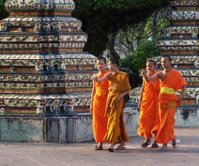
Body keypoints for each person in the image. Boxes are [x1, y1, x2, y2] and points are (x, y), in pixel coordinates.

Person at [142, 55, 186, 150]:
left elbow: (183, 85)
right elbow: (149, 80)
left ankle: (165, 143)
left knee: (168, 120)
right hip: (162, 99)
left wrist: (181, 95)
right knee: (162, 121)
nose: (163, 63)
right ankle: (172, 137)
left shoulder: (176, 73)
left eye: (165, 61)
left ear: (170, 62)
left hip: (172, 99)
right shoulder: (160, 74)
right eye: (162, 62)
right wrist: (145, 75)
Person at [93, 58, 131, 152]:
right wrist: (96, 78)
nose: (109, 67)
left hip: (119, 100)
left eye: (110, 65)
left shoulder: (123, 75)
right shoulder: (109, 74)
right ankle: (120, 142)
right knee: (112, 120)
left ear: (115, 65)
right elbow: (101, 79)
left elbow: (127, 89)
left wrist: (120, 96)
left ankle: (111, 144)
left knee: (114, 121)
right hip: (110, 99)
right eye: (108, 65)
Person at [138, 59, 160, 148]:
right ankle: (147, 139)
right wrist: (140, 101)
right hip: (146, 101)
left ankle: (156, 140)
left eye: (150, 66)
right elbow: (143, 89)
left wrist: (146, 76)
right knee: (144, 119)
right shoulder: (145, 76)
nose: (148, 68)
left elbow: (152, 83)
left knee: (155, 120)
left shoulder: (157, 75)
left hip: (155, 101)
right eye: (147, 66)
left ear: (155, 67)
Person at [90, 57, 109, 150]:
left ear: (105, 64)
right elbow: (93, 90)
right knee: (97, 123)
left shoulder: (108, 74)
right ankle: (99, 142)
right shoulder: (95, 75)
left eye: (101, 64)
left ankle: (110, 140)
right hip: (97, 102)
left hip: (106, 101)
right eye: (98, 64)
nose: (100, 66)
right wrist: (91, 103)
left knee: (106, 122)